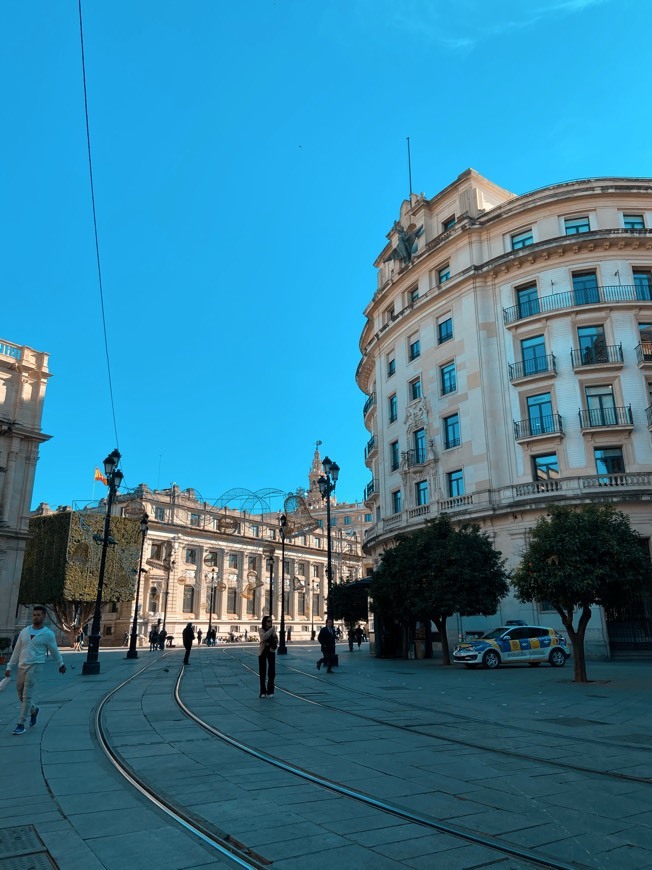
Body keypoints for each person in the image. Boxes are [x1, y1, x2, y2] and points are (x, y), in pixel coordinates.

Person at [4, 605, 66, 735]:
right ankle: (34, 710)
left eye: (38, 615)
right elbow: (16, 650)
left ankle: (21, 723)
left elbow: (54, 650)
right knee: (20, 694)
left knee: (27, 695)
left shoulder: (48, 634)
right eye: (34, 615)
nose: (36, 617)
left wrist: (60, 663)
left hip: (36, 666)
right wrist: (10, 666)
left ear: (44, 616)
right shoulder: (24, 632)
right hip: (22, 666)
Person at [258, 615, 278, 697]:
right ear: (264, 622)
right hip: (263, 651)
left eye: (271, 621)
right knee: (262, 672)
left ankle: (270, 691)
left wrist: (273, 634)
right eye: (268, 621)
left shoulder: (273, 631)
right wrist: (271, 630)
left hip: (271, 651)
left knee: (272, 672)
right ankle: (263, 692)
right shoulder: (260, 629)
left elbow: (276, 640)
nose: (270, 622)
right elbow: (263, 637)